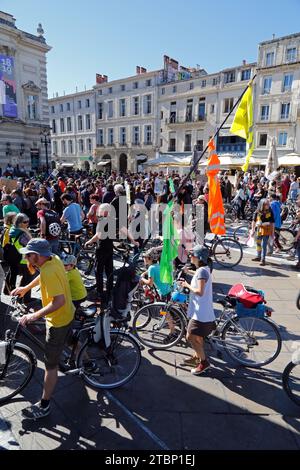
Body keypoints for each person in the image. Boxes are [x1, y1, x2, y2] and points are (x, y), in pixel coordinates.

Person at [11, 239, 75, 420]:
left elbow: (58, 301)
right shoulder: (53, 259)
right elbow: (42, 276)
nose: (26, 257)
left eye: (29, 254)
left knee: (50, 366)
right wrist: (26, 288)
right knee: (71, 341)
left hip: (57, 321)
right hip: (68, 313)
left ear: (38, 256)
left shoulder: (48, 269)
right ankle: (87, 364)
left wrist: (33, 316)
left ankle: (45, 405)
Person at [178, 245, 216, 375]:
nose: (190, 256)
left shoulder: (202, 271)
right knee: (198, 337)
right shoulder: (204, 269)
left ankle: (204, 363)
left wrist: (186, 284)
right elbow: (200, 276)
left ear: (198, 258)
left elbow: (200, 291)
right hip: (202, 311)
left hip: (201, 313)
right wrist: (189, 272)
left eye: (192, 255)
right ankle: (197, 357)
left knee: (190, 337)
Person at [85, 203, 114, 304]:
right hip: (110, 248)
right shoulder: (112, 220)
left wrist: (89, 241)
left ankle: (100, 292)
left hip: (101, 248)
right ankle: (110, 291)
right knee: (109, 270)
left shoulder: (102, 220)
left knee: (99, 271)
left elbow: (98, 235)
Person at [5, 213, 34, 303]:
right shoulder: (22, 233)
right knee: (28, 280)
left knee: (24, 279)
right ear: (19, 223)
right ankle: (26, 299)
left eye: (28, 221)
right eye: (25, 222)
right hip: (25, 260)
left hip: (17, 258)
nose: (27, 223)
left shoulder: (13, 229)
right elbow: (31, 244)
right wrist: (27, 232)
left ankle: (19, 296)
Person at [251, 198, 275, 266]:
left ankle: (263, 259)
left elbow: (272, 222)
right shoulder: (257, 211)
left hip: (266, 230)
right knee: (258, 243)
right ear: (262, 205)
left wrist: (272, 233)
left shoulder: (270, 211)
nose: (268, 205)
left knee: (264, 245)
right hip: (259, 229)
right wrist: (252, 230)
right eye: (266, 204)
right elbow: (253, 221)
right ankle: (258, 256)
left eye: (268, 204)